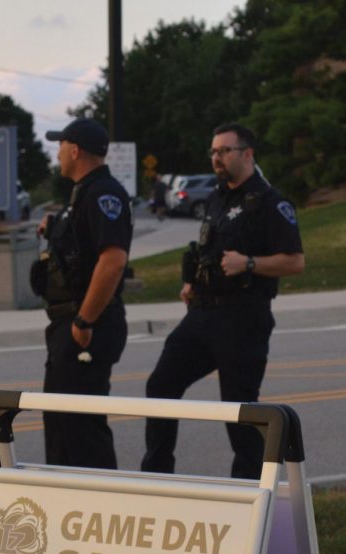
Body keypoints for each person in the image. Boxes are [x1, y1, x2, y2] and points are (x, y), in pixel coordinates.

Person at [140, 123, 304, 480]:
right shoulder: (217, 198)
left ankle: (251, 494)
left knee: (238, 411)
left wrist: (249, 263)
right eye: (213, 152)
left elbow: (295, 261)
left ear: (247, 154)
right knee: (160, 385)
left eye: (224, 151)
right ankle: (156, 475)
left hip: (243, 318)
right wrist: (192, 281)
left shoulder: (271, 203)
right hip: (202, 315)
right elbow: (210, 250)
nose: (217, 158)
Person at [32, 118, 132, 468]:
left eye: (60, 145)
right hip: (69, 323)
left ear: (75, 150)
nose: (57, 153)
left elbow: (113, 260)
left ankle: (101, 512)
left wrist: (84, 320)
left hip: (87, 324)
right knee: (60, 424)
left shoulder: (104, 193)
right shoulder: (81, 194)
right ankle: (66, 511)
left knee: (82, 429)